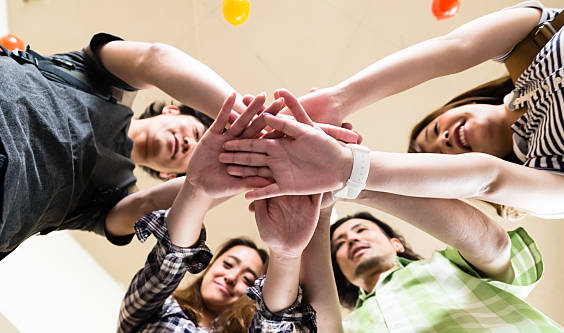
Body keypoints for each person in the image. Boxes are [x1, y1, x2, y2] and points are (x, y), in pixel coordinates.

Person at [0, 20, 253, 293]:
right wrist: (250, 120)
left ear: (169, 176)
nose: (190, 144)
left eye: (196, 155)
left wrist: (245, 172)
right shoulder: (99, 79)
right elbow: (154, 59)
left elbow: (153, 203)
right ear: (171, 110)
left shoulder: (115, 197)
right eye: (197, 134)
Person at [79, 93, 321, 333]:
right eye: (229, 263)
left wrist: (286, 252)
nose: (233, 277)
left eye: (249, 277)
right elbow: (170, 257)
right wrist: (197, 187)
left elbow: (274, 321)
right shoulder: (152, 312)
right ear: (207, 266)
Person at [222, 2, 564, 219]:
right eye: (445, 155)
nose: (446, 138)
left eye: (434, 132)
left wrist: (339, 100)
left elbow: (453, 48)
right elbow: (489, 178)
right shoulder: (546, 182)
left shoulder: (532, 44)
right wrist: (346, 167)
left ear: (455, 106)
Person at [300, 190, 564, 333]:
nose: (352, 239)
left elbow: (493, 245)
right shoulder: (345, 331)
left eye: (360, 229)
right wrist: (318, 213)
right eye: (339, 245)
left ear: (396, 244)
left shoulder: (454, 266)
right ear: (343, 277)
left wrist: (351, 182)